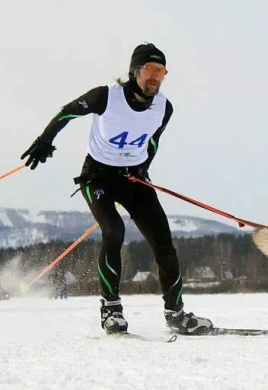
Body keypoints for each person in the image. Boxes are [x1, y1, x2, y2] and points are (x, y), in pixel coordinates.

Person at [20, 43, 213, 335]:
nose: (155, 77)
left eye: (161, 71)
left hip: (132, 177)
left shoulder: (164, 107)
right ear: (135, 71)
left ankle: (176, 313)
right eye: (150, 69)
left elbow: (153, 140)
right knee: (114, 230)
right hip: (97, 176)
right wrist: (45, 141)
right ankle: (111, 310)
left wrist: (143, 167)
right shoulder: (105, 96)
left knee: (163, 240)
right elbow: (66, 113)